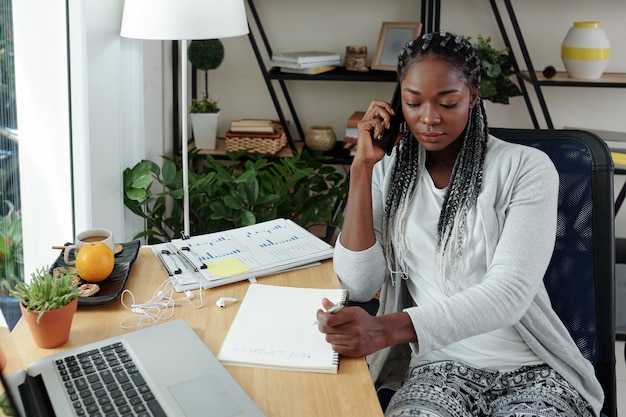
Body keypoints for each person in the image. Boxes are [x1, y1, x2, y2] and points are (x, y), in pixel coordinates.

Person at [315, 31, 603, 417]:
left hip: (533, 372)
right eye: (413, 103)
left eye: (447, 102)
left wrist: (387, 329)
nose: (429, 118)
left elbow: (508, 294)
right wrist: (362, 169)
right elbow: (359, 283)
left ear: (473, 95)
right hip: (438, 371)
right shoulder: (389, 171)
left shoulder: (525, 169)